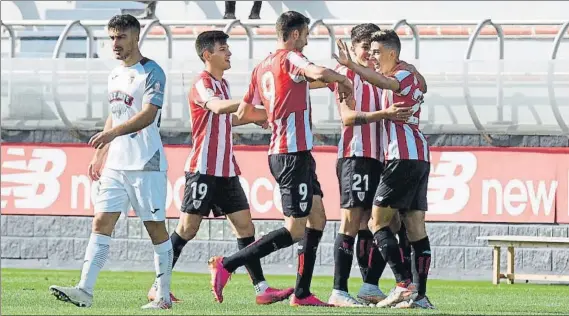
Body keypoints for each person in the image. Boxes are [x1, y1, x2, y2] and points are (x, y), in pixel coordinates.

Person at [207, 10, 354, 307]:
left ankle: (302, 293)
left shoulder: (262, 67)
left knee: (318, 219)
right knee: (295, 229)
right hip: (291, 155)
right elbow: (317, 73)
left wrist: (272, 116)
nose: (308, 41)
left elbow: (244, 112)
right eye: (307, 35)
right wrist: (341, 79)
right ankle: (228, 264)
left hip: (292, 153)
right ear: (296, 34)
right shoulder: (291, 58)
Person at [146, 30, 294, 305]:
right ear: (207, 55)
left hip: (226, 171)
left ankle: (261, 289)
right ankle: (158, 285)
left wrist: (266, 115)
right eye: (223, 48)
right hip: (203, 169)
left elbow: (231, 118)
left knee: (245, 227)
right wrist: (254, 100)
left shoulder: (222, 84)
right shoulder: (202, 84)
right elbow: (217, 108)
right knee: (187, 228)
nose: (229, 53)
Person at [49, 14, 173, 310]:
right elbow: (115, 113)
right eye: (112, 38)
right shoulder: (115, 74)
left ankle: (164, 296)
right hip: (117, 164)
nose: (115, 44)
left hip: (147, 163)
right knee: (101, 222)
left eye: (120, 37)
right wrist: (101, 152)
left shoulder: (152, 72)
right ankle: (84, 290)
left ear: (135, 37)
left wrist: (111, 133)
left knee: (155, 228)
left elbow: (148, 115)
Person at [334, 30, 435, 309]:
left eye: (377, 52)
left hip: (402, 156)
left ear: (392, 53)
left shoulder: (399, 75)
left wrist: (352, 64)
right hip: (418, 156)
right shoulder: (408, 73)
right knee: (414, 227)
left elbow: (381, 80)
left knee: (375, 223)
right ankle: (420, 297)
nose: (373, 57)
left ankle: (404, 284)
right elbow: (422, 87)